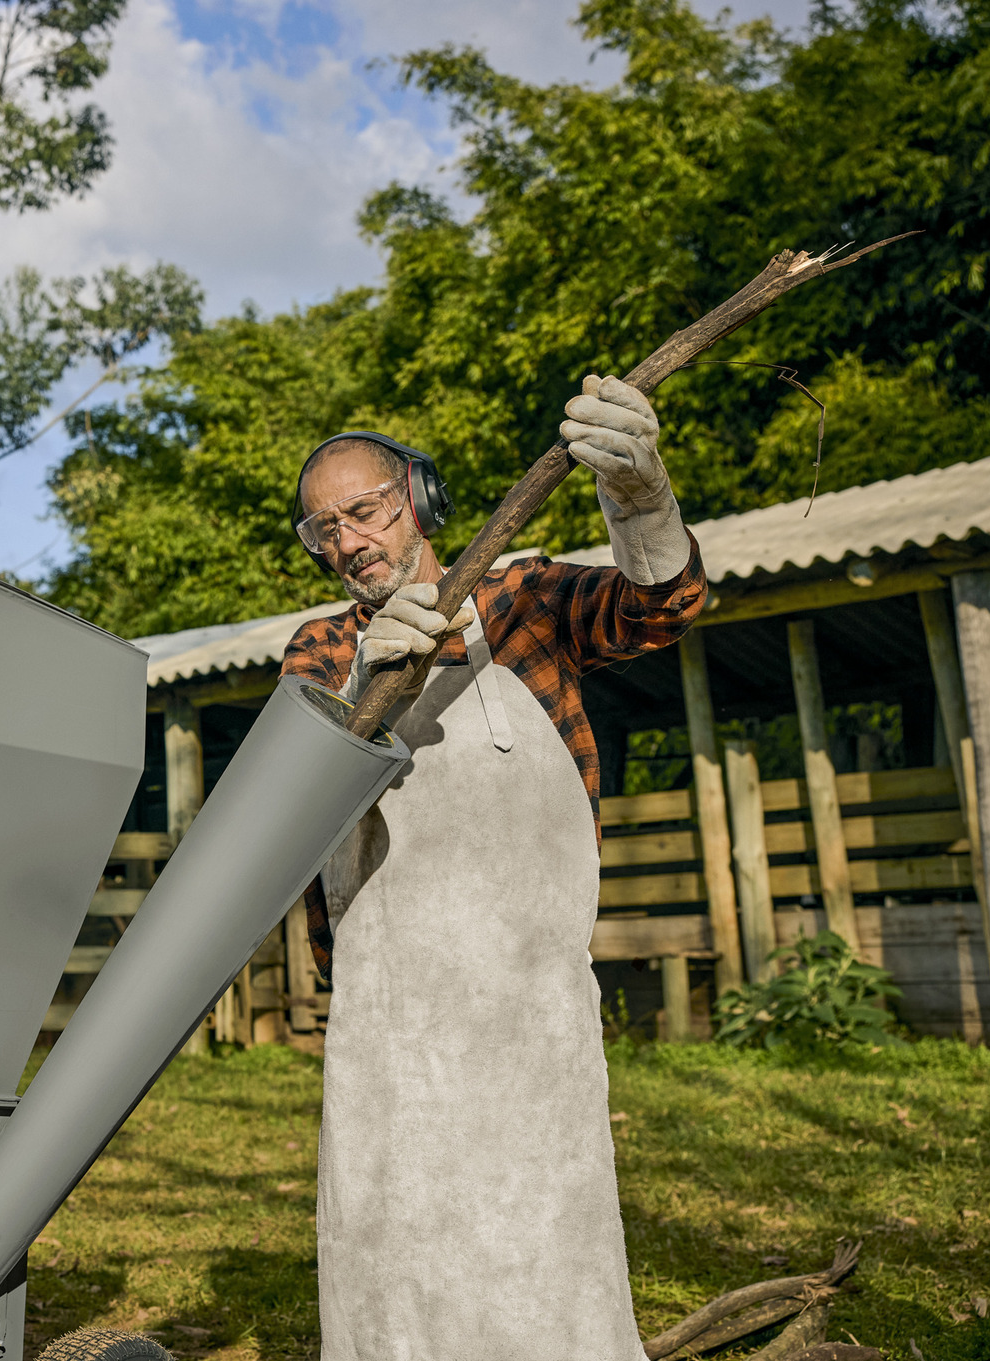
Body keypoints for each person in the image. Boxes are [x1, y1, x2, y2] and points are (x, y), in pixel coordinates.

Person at [281, 375, 707, 1360]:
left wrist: (643, 501)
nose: (346, 540)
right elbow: (292, 816)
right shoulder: (320, 645)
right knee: (393, 1264)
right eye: (322, 529)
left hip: (529, 1019)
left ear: (419, 500)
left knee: (544, 1255)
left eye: (365, 509)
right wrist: (362, 687)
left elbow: (660, 609)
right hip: (392, 1029)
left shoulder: (520, 602)